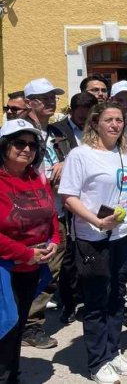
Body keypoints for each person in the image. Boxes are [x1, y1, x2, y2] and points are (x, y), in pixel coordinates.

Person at [58, 102, 127, 383]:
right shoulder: (81, 155)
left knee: (117, 296)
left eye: (119, 120)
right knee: (96, 300)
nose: (115, 125)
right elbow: (68, 196)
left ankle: (113, 350)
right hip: (94, 237)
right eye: (109, 119)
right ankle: (97, 362)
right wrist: (96, 221)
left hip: (124, 235)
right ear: (95, 123)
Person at [0, 119, 60, 383]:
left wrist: (54, 240)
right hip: (6, 268)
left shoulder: (37, 177)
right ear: (4, 146)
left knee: (16, 326)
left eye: (32, 145)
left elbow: (51, 214)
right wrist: (24, 254)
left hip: (32, 267)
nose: (26, 149)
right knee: (5, 327)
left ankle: (11, 374)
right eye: (19, 143)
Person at [45, 92, 97, 326]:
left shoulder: (99, 129)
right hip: (66, 200)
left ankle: (86, 301)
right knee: (67, 258)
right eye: (81, 117)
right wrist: (66, 161)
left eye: (89, 116)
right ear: (72, 111)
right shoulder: (57, 131)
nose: (84, 121)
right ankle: (68, 303)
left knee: (88, 254)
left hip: (91, 198)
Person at [20, 78, 65, 350]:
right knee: (33, 270)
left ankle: (28, 323)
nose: (50, 102)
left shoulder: (57, 131)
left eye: (52, 97)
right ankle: (28, 326)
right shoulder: (20, 133)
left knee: (50, 270)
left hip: (56, 211)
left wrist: (65, 163)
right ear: (29, 102)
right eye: (43, 98)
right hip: (29, 215)